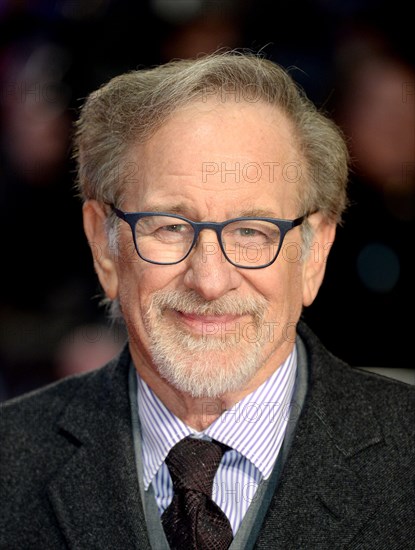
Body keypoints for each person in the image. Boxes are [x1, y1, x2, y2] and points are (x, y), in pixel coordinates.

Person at [0, 50, 413, 549]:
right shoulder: (10, 462)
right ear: (102, 246)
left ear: (314, 254)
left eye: (252, 231)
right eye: (171, 227)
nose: (210, 280)